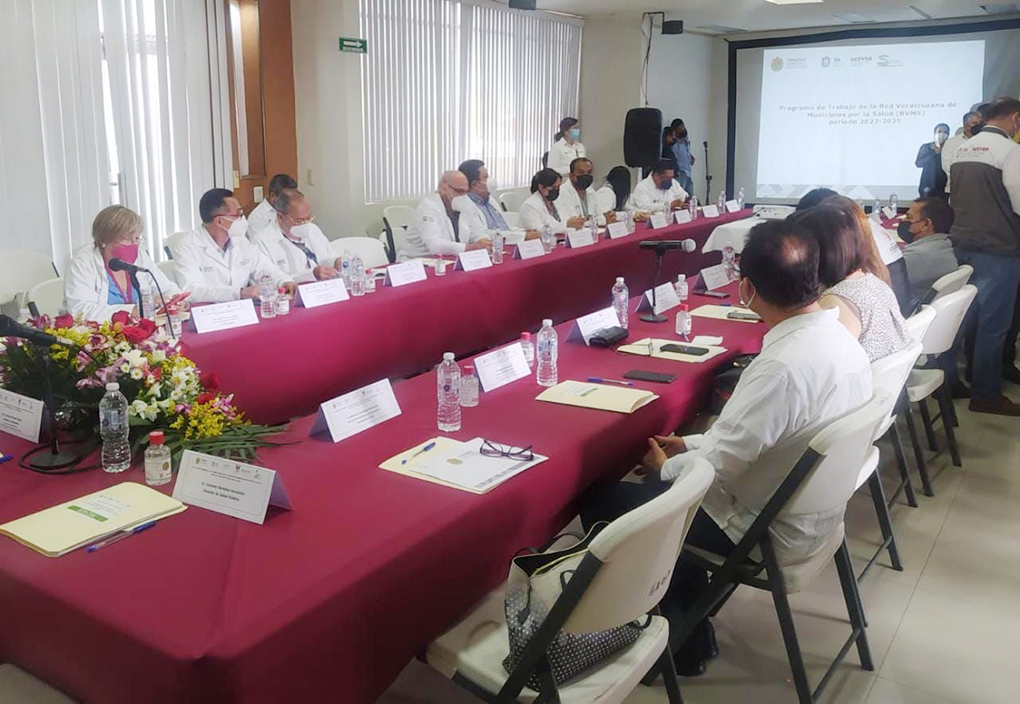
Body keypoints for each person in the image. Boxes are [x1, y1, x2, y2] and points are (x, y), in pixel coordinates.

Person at [580, 219, 872, 675]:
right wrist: (689, 443)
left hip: (761, 527)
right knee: (674, 483)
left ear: (747, 289)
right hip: (815, 515)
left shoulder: (781, 366)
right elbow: (754, 438)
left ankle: (678, 641)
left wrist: (664, 467)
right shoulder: (841, 338)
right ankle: (686, 615)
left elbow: (717, 468)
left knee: (602, 500)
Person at [948, 97, 1020, 415]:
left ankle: (951, 382)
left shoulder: (962, 148)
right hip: (999, 249)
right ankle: (986, 394)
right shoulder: (1010, 151)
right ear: (1015, 119)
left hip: (962, 245)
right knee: (994, 325)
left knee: (962, 319)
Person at [792, 205, 911, 362]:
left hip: (864, 377)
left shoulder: (837, 302)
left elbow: (822, 365)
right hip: (888, 376)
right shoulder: (868, 279)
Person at [173, 188, 296, 304]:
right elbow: (192, 291)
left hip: (242, 309)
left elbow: (264, 268)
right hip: (210, 312)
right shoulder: (187, 246)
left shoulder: (240, 241)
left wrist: (283, 281)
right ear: (220, 221)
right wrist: (239, 293)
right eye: (238, 214)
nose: (243, 219)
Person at [65, 205, 182, 322]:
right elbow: (81, 311)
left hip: (141, 328)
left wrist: (174, 300)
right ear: (104, 239)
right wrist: (133, 310)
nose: (134, 244)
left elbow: (166, 287)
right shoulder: (82, 263)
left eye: (137, 238)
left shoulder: (141, 256)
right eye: (127, 238)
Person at [251, 189, 341, 282]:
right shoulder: (263, 241)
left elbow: (328, 256)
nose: (305, 223)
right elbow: (272, 281)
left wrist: (335, 262)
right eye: (299, 220)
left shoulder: (312, 229)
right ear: (280, 217)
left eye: (308, 218)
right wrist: (311, 275)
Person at [399, 171, 492, 261]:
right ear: (444, 188)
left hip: (448, 259)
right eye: (459, 191)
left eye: (466, 192)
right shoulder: (428, 207)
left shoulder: (465, 202)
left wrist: (482, 240)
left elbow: (476, 229)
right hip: (417, 261)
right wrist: (472, 247)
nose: (463, 196)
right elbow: (435, 246)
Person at [900, 197, 959, 307]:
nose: (903, 221)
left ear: (926, 224)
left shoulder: (919, 255)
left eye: (909, 217)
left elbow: (879, 281)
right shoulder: (943, 244)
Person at [556, 158, 617, 227]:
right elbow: (574, 222)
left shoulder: (591, 191)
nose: (585, 175)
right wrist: (594, 221)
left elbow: (601, 216)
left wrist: (605, 218)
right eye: (581, 172)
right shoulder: (563, 192)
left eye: (589, 172)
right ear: (571, 175)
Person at [942, 111, 984, 196]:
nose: (978, 126)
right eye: (974, 123)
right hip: (958, 188)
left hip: (982, 188)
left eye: (980, 123)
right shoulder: (951, 142)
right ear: (965, 124)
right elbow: (947, 167)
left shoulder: (985, 140)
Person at [248, 173, 298, 238]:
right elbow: (259, 242)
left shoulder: (290, 209)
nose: (290, 201)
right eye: (286, 198)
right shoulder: (257, 217)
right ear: (273, 195)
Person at [519, 168, 569, 233]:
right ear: (541, 187)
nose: (556, 190)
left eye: (558, 186)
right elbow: (538, 231)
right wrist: (566, 225)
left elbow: (565, 219)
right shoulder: (530, 206)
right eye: (553, 187)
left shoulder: (556, 201)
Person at [915, 123, 951, 199]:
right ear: (935, 133)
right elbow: (918, 163)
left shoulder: (950, 148)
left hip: (944, 187)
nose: (942, 134)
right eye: (939, 131)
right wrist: (934, 153)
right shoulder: (926, 147)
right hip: (927, 186)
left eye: (945, 132)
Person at [670, 118, 696, 196]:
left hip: (688, 173)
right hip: (680, 173)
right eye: (680, 128)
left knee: (691, 197)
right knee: (680, 196)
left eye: (683, 126)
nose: (683, 129)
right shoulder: (674, 145)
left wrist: (690, 157)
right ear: (675, 131)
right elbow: (674, 158)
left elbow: (684, 153)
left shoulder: (686, 141)